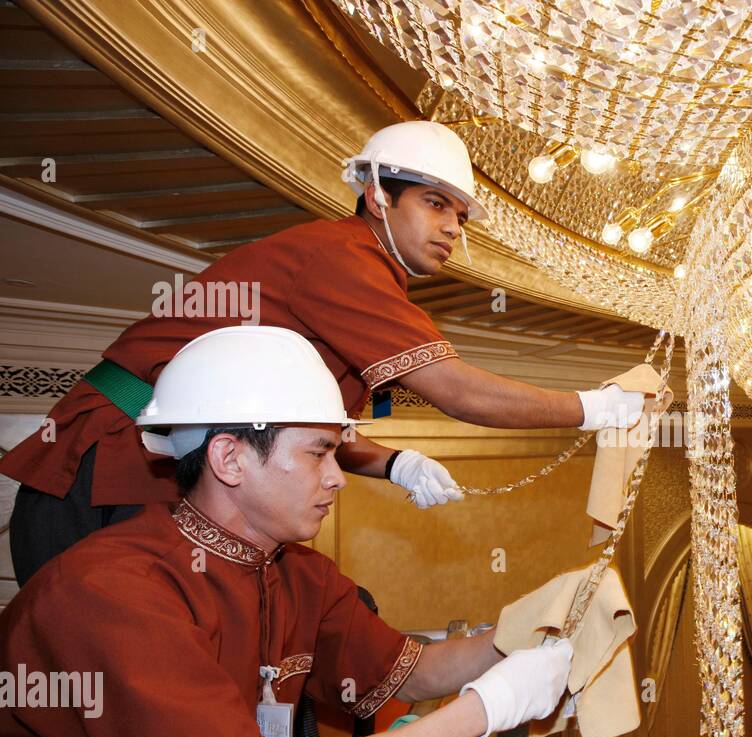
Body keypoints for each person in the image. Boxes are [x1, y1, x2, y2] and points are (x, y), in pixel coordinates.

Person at [0, 326, 573, 737]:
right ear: (230, 458)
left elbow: (415, 671)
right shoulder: (108, 593)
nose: (338, 477)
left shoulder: (294, 571)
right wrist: (485, 708)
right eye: (317, 452)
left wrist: (529, 630)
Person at [0, 120, 645, 586]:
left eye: (462, 215)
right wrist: (590, 407)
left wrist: (395, 465)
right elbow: (454, 389)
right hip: (104, 467)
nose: (453, 225)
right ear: (377, 197)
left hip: (166, 468)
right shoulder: (342, 258)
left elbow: (290, 431)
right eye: (435, 203)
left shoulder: (360, 275)